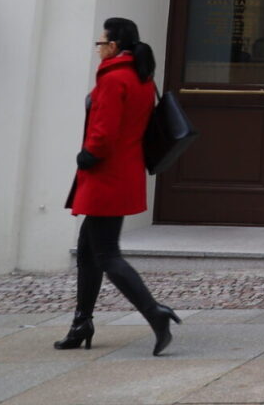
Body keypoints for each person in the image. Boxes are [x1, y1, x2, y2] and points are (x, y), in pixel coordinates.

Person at [55, 18, 181, 356]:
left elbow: (104, 132)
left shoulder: (114, 78)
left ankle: (156, 314)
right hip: (121, 174)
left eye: (100, 43)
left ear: (113, 46)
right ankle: (81, 322)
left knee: (107, 254)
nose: (97, 49)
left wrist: (88, 155)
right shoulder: (139, 75)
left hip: (105, 176)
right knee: (87, 250)